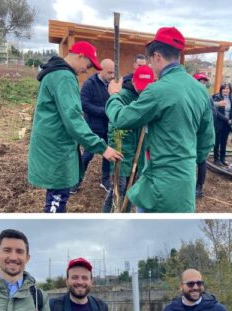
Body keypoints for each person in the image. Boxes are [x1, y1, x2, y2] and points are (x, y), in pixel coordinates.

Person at [106, 27, 214, 213]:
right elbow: (206, 141)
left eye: (149, 60)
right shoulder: (200, 90)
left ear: (156, 56)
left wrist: (114, 96)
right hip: (186, 181)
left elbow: (122, 119)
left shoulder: (158, 90)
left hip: (160, 184)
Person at [27, 41, 122, 213]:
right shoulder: (65, 76)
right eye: (87, 64)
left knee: (56, 196)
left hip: (51, 144)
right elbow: (74, 120)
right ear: (80, 56)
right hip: (57, 149)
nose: (87, 70)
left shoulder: (53, 73)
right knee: (57, 200)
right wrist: (102, 147)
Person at [102, 64, 155, 213]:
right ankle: (109, 214)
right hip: (123, 152)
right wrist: (118, 151)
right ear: (133, 81)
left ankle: (124, 213)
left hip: (140, 154)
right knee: (117, 191)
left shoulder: (149, 97)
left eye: (147, 86)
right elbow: (114, 126)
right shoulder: (123, 96)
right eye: (141, 86)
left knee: (132, 190)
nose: (143, 90)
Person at [80, 58, 116, 193]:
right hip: (93, 127)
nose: (112, 76)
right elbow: (84, 104)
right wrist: (104, 111)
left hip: (108, 127)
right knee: (88, 155)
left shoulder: (112, 84)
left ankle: (105, 180)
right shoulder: (89, 84)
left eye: (113, 73)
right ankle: (77, 180)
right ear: (101, 70)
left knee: (108, 155)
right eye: (110, 73)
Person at [212, 83, 232, 166]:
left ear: (230, 90)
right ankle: (216, 159)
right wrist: (226, 119)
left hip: (228, 124)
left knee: (224, 142)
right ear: (221, 89)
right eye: (224, 88)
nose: (226, 90)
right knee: (217, 141)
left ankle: (222, 158)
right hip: (219, 123)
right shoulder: (217, 97)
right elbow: (216, 112)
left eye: (228, 89)